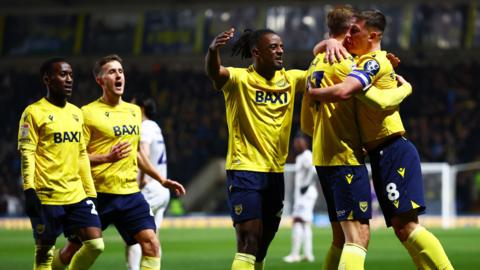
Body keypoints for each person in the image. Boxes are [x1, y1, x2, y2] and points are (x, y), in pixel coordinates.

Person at [308, 10, 453, 270]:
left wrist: (314, 92)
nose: (350, 36)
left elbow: (368, 97)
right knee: (396, 229)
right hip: (377, 153)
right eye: (348, 31)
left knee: (404, 227)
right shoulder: (358, 61)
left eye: (356, 31)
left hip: (392, 149)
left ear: (372, 35)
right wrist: (326, 42)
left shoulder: (371, 63)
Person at [302, 7, 415, 270]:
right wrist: (401, 84)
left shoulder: (316, 61)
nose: (356, 33)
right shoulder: (348, 63)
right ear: (350, 28)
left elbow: (307, 124)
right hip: (344, 155)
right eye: (354, 28)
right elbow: (367, 96)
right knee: (358, 237)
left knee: (340, 240)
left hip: (322, 152)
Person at [52, 54, 185, 270]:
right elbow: (75, 156)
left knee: (151, 244)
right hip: (97, 194)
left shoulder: (133, 112)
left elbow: (136, 153)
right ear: (100, 80)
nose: (119, 75)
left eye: (121, 71)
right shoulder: (86, 113)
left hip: (129, 193)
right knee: (74, 249)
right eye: (112, 72)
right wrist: (106, 158)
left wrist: (161, 179)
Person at [205, 28, 306, 270]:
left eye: (281, 46)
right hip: (245, 170)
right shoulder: (239, 80)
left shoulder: (291, 79)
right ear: (256, 52)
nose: (280, 50)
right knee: (248, 240)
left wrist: (329, 47)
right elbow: (214, 72)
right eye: (273, 47)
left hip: (275, 173)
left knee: (262, 244)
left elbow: (322, 74)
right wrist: (212, 51)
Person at [18, 57, 104, 270]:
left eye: (71, 75)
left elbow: (81, 154)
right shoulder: (33, 112)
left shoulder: (76, 113)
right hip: (47, 195)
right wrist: (29, 190)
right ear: (47, 79)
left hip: (76, 194)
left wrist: (90, 191)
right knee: (45, 254)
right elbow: (27, 153)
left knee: (95, 244)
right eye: (63, 74)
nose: (69, 80)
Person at [127, 95, 171, 270]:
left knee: (134, 236)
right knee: (152, 239)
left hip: (150, 190)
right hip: (161, 191)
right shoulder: (156, 127)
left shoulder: (144, 127)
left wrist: (139, 182)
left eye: (132, 106)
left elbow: (143, 154)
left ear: (141, 108)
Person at [283, 134, 317, 263]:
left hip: (305, 195)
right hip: (305, 194)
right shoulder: (301, 156)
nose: (296, 145)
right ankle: (308, 254)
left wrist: (306, 186)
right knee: (305, 224)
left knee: (297, 221)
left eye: (298, 142)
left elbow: (312, 170)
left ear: (305, 143)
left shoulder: (307, 155)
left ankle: (295, 254)